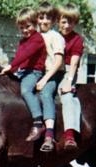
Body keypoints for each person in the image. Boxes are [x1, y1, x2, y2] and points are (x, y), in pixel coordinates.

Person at [2, 7, 47, 142]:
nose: (25, 30)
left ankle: (38, 123)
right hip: (23, 71)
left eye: (28, 26)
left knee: (26, 90)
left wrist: (12, 65)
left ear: (35, 24)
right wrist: (10, 70)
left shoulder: (37, 39)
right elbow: (20, 57)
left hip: (34, 72)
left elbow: (26, 55)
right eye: (22, 28)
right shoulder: (22, 41)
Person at [35, 1, 65, 152]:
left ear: (53, 21)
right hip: (39, 72)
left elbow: (59, 62)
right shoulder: (35, 36)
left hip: (54, 72)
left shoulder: (56, 36)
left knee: (46, 93)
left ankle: (49, 134)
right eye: (41, 17)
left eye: (48, 18)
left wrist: (45, 79)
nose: (44, 21)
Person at [57, 3, 84, 150]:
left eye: (71, 22)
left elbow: (73, 64)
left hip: (67, 71)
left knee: (67, 97)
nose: (67, 25)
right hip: (52, 69)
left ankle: (69, 134)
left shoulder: (77, 40)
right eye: (64, 21)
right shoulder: (54, 36)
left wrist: (68, 82)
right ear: (58, 22)